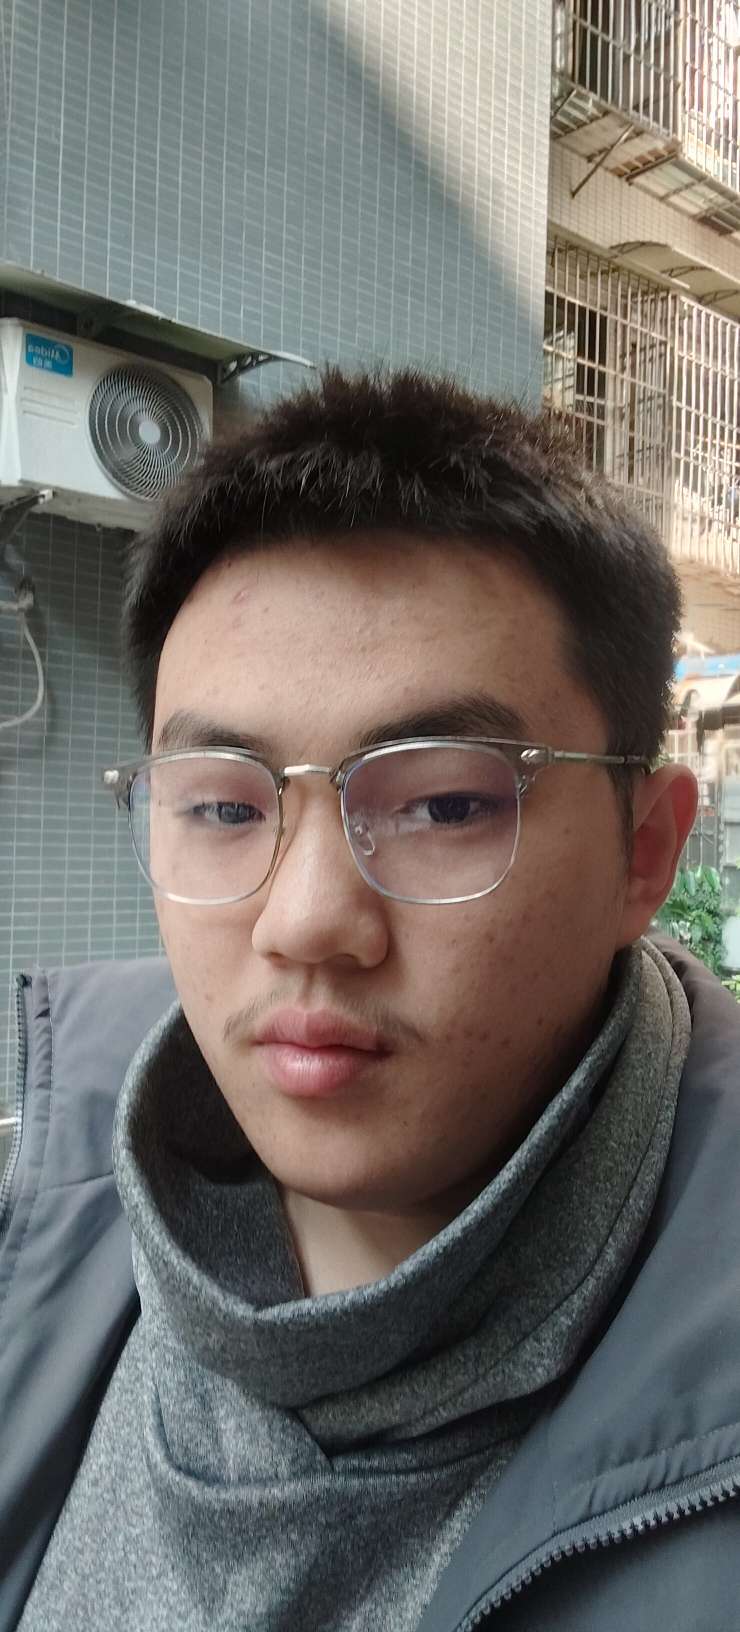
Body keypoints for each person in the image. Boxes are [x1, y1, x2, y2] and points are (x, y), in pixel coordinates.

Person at [2, 368, 740, 1632]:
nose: (303, 923)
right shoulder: (38, 1210)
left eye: (443, 804)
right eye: (223, 806)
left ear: (643, 851)